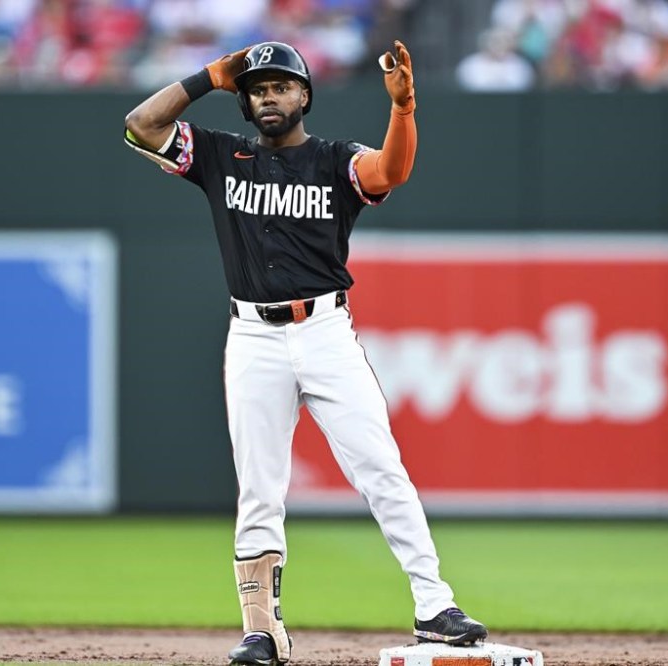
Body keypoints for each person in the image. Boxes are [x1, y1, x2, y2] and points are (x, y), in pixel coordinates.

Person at [124, 40, 487, 666]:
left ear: (304, 96)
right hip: (253, 336)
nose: (269, 96)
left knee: (380, 466)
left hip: (324, 332)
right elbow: (140, 125)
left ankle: (434, 606)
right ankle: (262, 630)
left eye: (281, 86)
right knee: (259, 489)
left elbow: (389, 173)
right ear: (245, 102)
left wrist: (403, 111)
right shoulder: (218, 154)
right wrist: (209, 76)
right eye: (257, 89)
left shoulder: (332, 159)